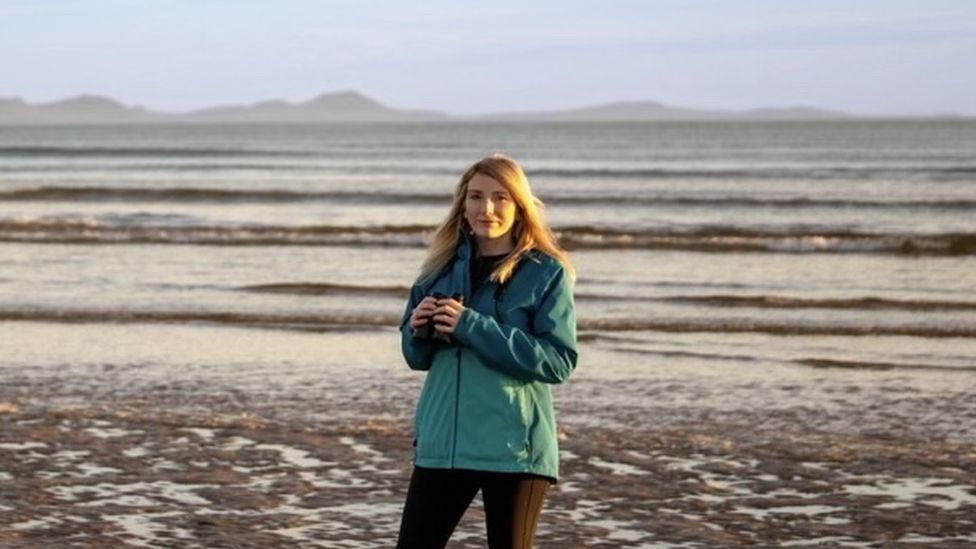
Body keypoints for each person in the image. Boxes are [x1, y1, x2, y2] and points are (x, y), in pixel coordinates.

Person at [395, 153, 578, 549]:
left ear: (519, 206)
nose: (487, 208)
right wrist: (419, 330)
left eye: (500, 197)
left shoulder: (547, 272)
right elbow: (415, 358)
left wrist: (470, 325)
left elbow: (558, 361)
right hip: (443, 443)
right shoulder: (435, 272)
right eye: (476, 196)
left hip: (515, 449)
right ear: (462, 204)